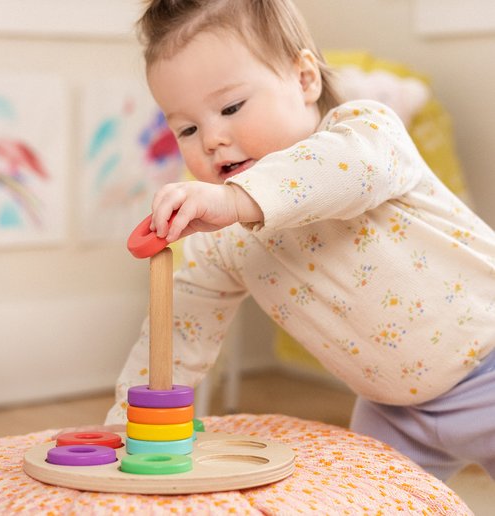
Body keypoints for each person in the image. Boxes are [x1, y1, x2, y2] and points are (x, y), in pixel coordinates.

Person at [102, 0, 495, 481]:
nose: (211, 140)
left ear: (305, 79)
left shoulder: (367, 132)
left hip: (489, 372)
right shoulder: (223, 238)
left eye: (230, 107)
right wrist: (130, 425)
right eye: (187, 128)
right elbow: (178, 330)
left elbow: (345, 171)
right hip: (394, 411)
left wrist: (238, 201)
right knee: (360, 501)